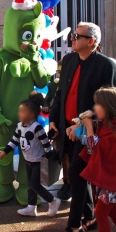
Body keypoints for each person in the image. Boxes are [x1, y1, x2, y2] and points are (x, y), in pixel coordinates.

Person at [49, 22, 116, 232]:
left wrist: (82, 124)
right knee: (81, 176)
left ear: (91, 41)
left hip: (89, 131)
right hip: (66, 128)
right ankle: (89, 217)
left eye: (77, 36)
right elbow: (61, 93)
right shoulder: (68, 60)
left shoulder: (107, 66)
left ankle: (74, 226)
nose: (72, 39)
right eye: (73, 35)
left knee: (78, 173)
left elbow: (109, 105)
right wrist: (53, 120)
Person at [80, 87, 116, 232]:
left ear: (109, 107)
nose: (94, 107)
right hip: (110, 179)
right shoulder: (113, 125)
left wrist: (88, 127)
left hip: (111, 180)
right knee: (112, 210)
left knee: (100, 213)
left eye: (98, 104)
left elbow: (95, 150)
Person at [0, 91, 61, 217]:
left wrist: (49, 160)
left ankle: (53, 200)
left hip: (38, 162)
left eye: (23, 111)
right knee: (30, 186)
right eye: (20, 111)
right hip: (28, 161)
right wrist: (5, 151)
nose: (20, 114)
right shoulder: (20, 126)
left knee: (35, 185)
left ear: (32, 114)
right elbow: (14, 141)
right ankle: (31, 208)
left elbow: (46, 145)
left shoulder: (37, 128)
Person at [42, 60, 71, 200]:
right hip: (59, 121)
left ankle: (73, 183)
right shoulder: (56, 84)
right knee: (62, 154)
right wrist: (47, 107)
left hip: (75, 123)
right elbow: (49, 99)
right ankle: (66, 181)